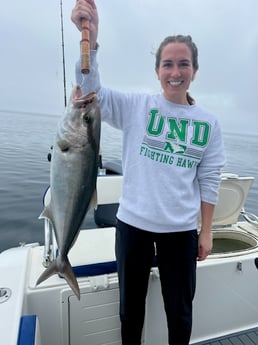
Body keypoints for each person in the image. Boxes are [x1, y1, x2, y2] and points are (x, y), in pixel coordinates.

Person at [71, 1, 225, 344]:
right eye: (167, 64)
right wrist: (90, 43)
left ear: (194, 70)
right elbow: (90, 90)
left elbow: (210, 178)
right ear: (157, 70)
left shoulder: (208, 123)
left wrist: (206, 232)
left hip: (181, 231)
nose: (175, 72)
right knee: (130, 311)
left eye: (183, 64)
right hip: (133, 226)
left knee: (180, 312)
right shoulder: (136, 107)